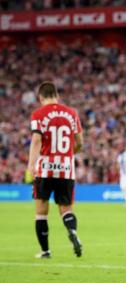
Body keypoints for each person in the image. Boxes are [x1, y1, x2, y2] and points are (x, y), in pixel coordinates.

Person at [26, 82, 84, 258]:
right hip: (66, 169)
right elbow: (79, 142)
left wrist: (30, 167)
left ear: (40, 98)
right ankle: (72, 232)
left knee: (41, 212)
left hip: (45, 169)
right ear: (57, 95)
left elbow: (36, 141)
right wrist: (68, 154)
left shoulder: (38, 114)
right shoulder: (72, 113)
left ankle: (45, 251)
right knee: (66, 209)